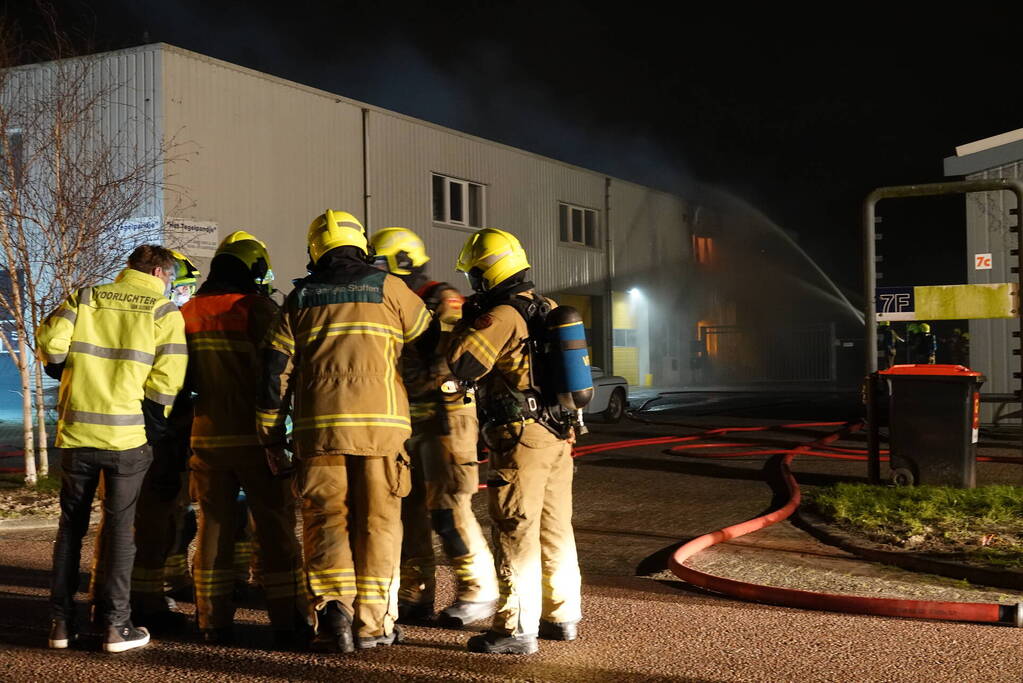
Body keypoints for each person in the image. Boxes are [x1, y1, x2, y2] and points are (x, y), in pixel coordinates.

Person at [257, 210, 430, 653]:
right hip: (383, 433)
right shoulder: (392, 289)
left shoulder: (298, 301)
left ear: (316, 251)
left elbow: (273, 378)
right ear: (362, 246)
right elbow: (428, 346)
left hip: (318, 436)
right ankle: (375, 626)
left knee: (325, 522)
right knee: (379, 525)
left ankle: (335, 612)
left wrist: (272, 439)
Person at [37, 245, 187, 653]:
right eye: (169, 277)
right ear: (158, 271)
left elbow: (51, 344)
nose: (169, 284)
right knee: (121, 529)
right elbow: (169, 375)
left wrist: (61, 367)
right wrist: (153, 425)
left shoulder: (86, 296)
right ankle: (116, 627)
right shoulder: (163, 310)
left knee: (71, 528)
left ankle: (60, 625)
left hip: (78, 433)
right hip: (127, 438)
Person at [447, 228, 582, 655]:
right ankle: (561, 616)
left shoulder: (502, 315)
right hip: (559, 433)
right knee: (555, 529)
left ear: (487, 274)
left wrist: (461, 323)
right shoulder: (548, 307)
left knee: (514, 528)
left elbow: (462, 365)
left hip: (521, 439)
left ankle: (515, 629)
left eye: (475, 276)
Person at [180, 230, 308, 646]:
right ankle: (287, 620)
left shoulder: (188, 312)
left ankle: (211, 621)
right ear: (253, 271)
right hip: (257, 440)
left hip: (206, 439)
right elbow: (281, 370)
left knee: (213, 529)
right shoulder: (257, 309)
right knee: (274, 527)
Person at [368, 227, 498, 628]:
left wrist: (399, 386)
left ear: (401, 262)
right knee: (409, 512)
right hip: (409, 423)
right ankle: (415, 594)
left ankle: (479, 590)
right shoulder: (397, 301)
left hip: (447, 421)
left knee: (449, 509)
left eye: (379, 264)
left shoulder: (442, 300)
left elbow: (449, 363)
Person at [128, 250, 200, 631]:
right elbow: (172, 382)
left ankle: (114, 597)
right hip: (155, 434)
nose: (185, 294)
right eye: (182, 286)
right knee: (153, 519)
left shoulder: (109, 308)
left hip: (119, 429)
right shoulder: (165, 317)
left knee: (140, 519)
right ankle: (145, 601)